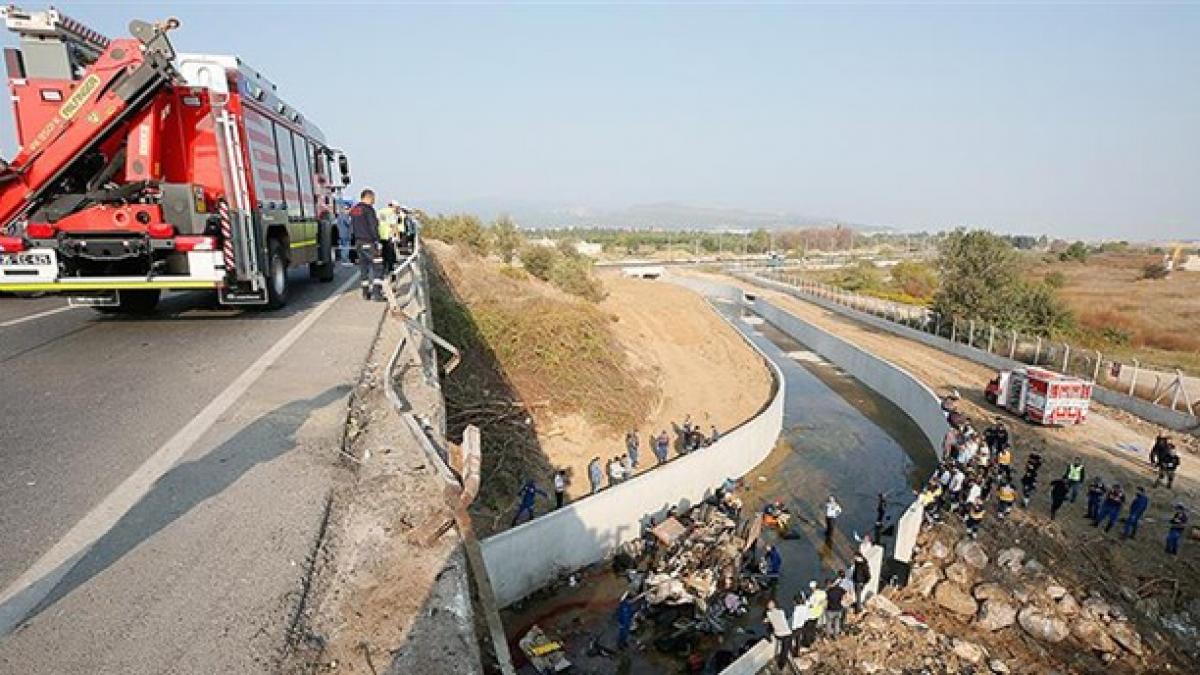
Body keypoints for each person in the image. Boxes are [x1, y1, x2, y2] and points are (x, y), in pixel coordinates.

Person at [348, 189, 381, 299]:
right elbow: (373, 226)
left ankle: (365, 293)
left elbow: (351, 228)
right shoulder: (368, 210)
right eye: (373, 198)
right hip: (369, 242)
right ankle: (377, 293)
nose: (374, 201)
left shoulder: (354, 210)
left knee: (363, 268)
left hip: (358, 242)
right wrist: (377, 240)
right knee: (378, 266)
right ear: (369, 197)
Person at [764, 600, 793, 667]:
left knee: (784, 644)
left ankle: (781, 662)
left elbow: (766, 621)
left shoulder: (768, 614)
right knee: (785, 649)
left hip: (777, 635)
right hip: (786, 634)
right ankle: (782, 664)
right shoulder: (781, 612)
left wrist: (767, 620)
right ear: (775, 605)